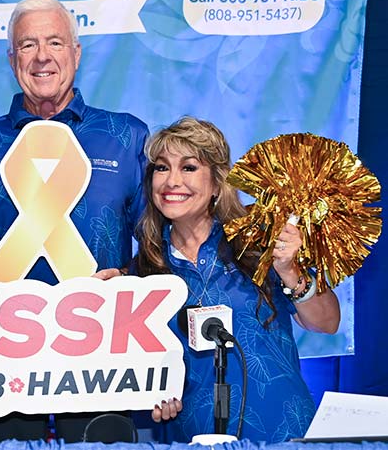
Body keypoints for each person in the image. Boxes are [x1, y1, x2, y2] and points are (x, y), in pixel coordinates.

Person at [0, 0, 149, 441]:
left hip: (104, 358)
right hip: (3, 359)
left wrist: (128, 281)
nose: (42, 57)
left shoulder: (127, 136)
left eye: (55, 42)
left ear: (76, 53)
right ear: (11, 59)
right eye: (28, 45)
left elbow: (156, 249)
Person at [135, 117, 340, 442]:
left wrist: (290, 271)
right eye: (161, 168)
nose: (172, 181)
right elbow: (145, 374)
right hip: (195, 437)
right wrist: (152, 397)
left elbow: (327, 322)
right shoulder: (143, 271)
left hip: (283, 434)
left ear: (217, 182)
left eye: (188, 168)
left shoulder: (259, 240)